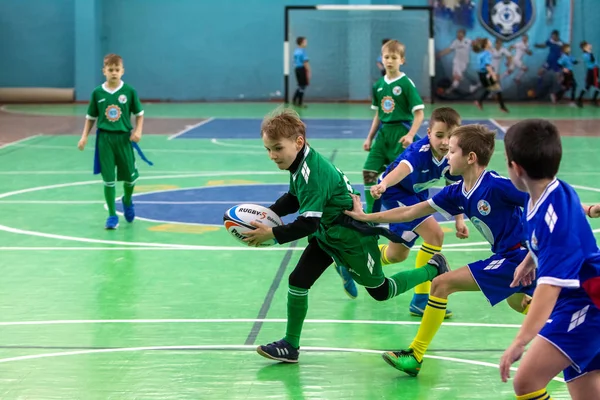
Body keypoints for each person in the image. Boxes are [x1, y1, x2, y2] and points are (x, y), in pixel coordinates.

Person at [243, 108, 450, 363]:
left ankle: (434, 268)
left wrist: (272, 234)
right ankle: (291, 345)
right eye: (268, 150)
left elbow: (307, 223)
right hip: (328, 232)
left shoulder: (312, 172)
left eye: (277, 148)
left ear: (298, 142)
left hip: (352, 238)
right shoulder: (299, 164)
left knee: (381, 291)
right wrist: (268, 213)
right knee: (298, 280)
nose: (273, 156)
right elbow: (294, 197)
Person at [345, 124, 538, 376]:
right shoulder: (456, 192)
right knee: (519, 303)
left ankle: (415, 355)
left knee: (441, 284)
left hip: (520, 257)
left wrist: (587, 210)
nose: (447, 154)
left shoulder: (497, 186)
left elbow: (542, 197)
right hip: (505, 256)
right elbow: (409, 211)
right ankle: (569, 334)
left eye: (453, 151)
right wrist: (367, 217)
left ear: (471, 158)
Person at [500, 119, 600, 400]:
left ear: (516, 168)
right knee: (587, 393)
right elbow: (547, 242)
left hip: (587, 304)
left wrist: (520, 341)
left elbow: (549, 288)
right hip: (582, 301)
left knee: (526, 382)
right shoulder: (549, 192)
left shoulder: (551, 215)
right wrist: (529, 261)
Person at [370, 107, 465, 318]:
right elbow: (402, 169)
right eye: (439, 135)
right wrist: (384, 184)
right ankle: (421, 299)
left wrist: (459, 219)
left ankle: (357, 259)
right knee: (435, 234)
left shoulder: (452, 157)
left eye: (449, 137)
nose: (444, 142)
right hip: (394, 191)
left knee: (396, 255)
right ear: (429, 133)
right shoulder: (419, 153)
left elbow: (454, 190)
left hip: (416, 195)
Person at [77, 53, 146, 230]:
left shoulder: (129, 91)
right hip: (105, 140)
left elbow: (139, 114)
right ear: (104, 71)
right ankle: (112, 215)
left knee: (130, 178)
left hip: (124, 139)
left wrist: (138, 131)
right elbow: (90, 117)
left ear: (122, 71)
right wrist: (84, 136)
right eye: (110, 70)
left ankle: (127, 200)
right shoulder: (97, 93)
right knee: (108, 179)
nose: (114, 73)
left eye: (117, 69)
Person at [473, 38, 509, 112]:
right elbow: (487, 66)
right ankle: (502, 107)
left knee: (490, 89)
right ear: (486, 44)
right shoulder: (487, 54)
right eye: (489, 41)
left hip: (481, 74)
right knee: (497, 89)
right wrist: (493, 75)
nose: (490, 42)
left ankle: (479, 102)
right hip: (486, 74)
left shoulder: (482, 53)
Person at [577, 41, 599, 107]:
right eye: (587, 45)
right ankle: (579, 100)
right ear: (584, 48)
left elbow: (595, 62)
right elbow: (592, 60)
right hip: (592, 72)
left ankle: (593, 100)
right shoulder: (585, 55)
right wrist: (590, 53)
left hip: (595, 70)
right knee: (588, 86)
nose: (589, 45)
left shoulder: (589, 54)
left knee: (591, 86)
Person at [292, 37, 310, 108]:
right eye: (305, 42)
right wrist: (309, 70)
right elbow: (305, 62)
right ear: (301, 43)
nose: (306, 43)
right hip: (302, 69)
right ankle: (300, 102)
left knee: (300, 85)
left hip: (297, 69)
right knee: (303, 85)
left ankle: (294, 99)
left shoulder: (296, 51)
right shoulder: (302, 51)